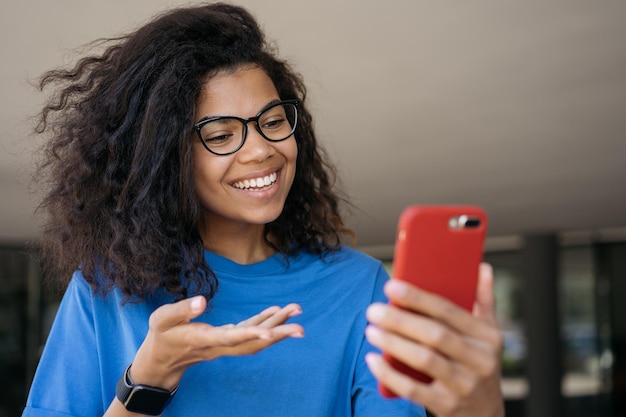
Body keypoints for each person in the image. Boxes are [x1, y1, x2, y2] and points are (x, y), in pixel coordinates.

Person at [23, 3, 504, 417]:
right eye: (220, 134)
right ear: (165, 157)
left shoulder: (358, 287)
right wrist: (148, 380)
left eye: (273, 121)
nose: (260, 151)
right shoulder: (107, 286)